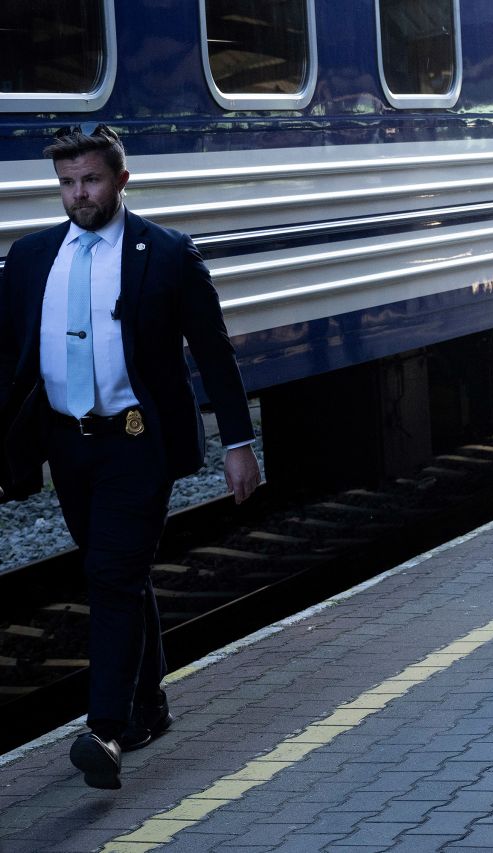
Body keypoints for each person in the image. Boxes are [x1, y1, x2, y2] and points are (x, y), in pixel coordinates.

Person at [0, 125, 260, 789]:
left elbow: (213, 354)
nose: (76, 194)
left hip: (137, 440)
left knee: (111, 576)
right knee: (117, 568)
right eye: (65, 182)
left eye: (88, 180)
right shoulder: (31, 258)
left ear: (121, 179)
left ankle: (105, 729)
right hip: (67, 443)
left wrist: (238, 443)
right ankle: (149, 703)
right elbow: (8, 361)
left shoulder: (166, 253)